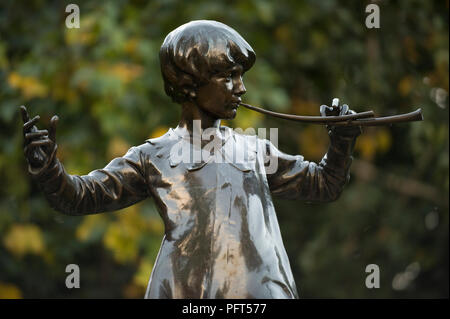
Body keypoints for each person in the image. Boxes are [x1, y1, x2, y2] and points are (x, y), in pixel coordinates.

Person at [21, 20, 361, 298]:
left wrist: (342, 141)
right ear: (190, 84)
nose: (241, 88)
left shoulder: (255, 150)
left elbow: (324, 185)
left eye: (240, 76)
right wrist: (50, 170)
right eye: (229, 77)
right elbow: (80, 197)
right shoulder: (152, 157)